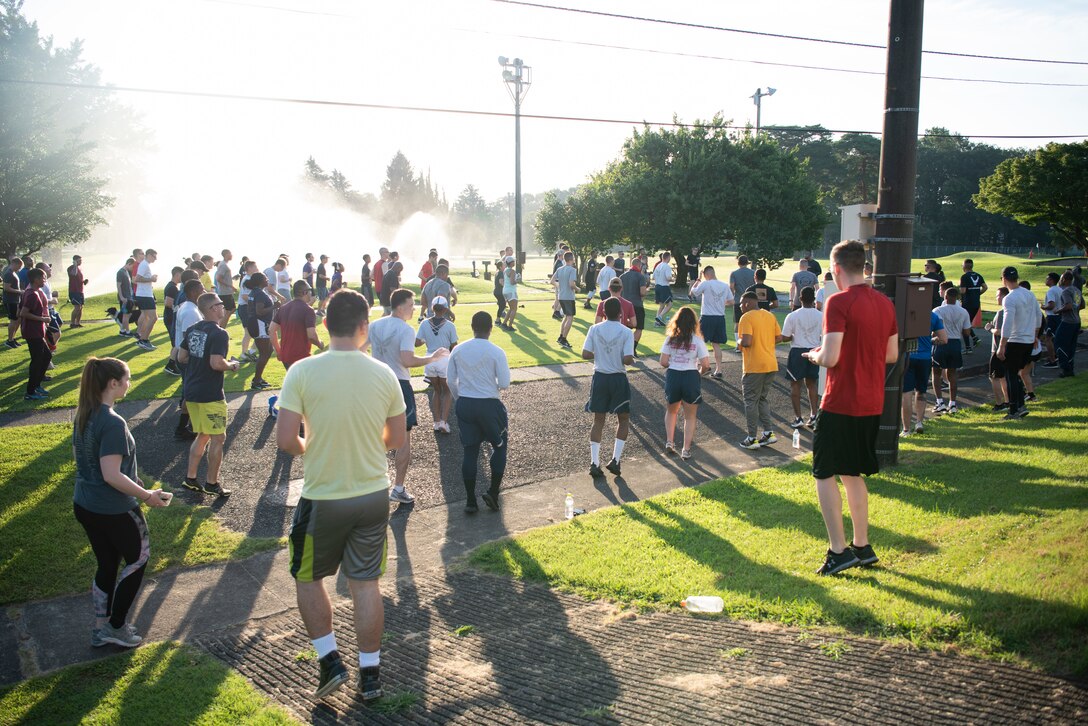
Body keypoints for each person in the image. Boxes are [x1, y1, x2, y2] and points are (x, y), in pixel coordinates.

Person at [276, 289, 405, 702]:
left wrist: (312, 447)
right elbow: (397, 439)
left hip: (323, 496)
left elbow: (285, 440)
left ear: (325, 324)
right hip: (373, 494)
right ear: (364, 327)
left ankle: (330, 660)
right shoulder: (383, 373)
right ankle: (371, 675)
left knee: (308, 577)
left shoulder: (301, 371)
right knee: (366, 584)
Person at [802, 240, 898, 576]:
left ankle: (838, 550)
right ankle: (862, 545)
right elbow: (891, 355)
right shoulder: (885, 304)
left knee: (824, 473)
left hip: (841, 399)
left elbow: (830, 357)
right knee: (852, 473)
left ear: (837, 269)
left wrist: (814, 355)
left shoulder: (838, 301)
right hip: (872, 401)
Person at [73, 357, 169, 649]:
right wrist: (147, 496)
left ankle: (101, 628)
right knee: (138, 559)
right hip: (113, 508)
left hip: (85, 504)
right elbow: (111, 474)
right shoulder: (113, 422)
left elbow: (97, 464)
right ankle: (116, 627)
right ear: (113, 384)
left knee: (107, 563)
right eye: (127, 379)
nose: (129, 384)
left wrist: (134, 481)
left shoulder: (84, 413)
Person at [368, 288, 448, 504]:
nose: (414, 309)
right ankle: (398, 488)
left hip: (376, 383)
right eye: (412, 305)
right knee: (403, 438)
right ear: (402, 306)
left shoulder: (374, 325)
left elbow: (358, 349)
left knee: (374, 435)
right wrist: (432, 358)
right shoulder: (405, 329)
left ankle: (372, 484)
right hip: (398, 385)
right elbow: (407, 360)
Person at [446, 311, 511, 513]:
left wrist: (460, 398)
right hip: (489, 404)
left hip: (466, 403)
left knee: (470, 451)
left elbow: (450, 380)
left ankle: (470, 501)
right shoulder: (496, 351)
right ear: (490, 328)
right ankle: (492, 492)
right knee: (499, 447)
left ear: (472, 327)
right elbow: (505, 383)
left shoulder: (458, 350)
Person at [179, 293, 240, 498]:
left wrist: (199, 363)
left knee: (202, 435)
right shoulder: (219, 333)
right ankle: (212, 483)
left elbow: (181, 356)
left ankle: (191, 478)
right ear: (213, 308)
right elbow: (216, 363)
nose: (224, 308)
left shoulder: (192, 330)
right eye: (221, 305)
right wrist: (231, 365)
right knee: (218, 438)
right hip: (210, 394)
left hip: (192, 391)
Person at [583, 297, 635, 478]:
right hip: (618, 378)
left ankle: (594, 462)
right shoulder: (626, 332)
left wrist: (601, 354)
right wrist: (625, 358)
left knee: (598, 421)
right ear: (620, 313)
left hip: (600, 377)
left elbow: (585, 353)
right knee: (623, 419)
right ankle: (615, 459)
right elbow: (628, 359)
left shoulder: (594, 329)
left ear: (604, 312)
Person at [659, 306, 710, 459]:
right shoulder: (698, 340)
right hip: (690, 376)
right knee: (690, 416)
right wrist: (699, 373)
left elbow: (663, 361)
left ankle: (669, 441)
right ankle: (686, 449)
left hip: (674, 375)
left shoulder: (670, 339)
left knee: (671, 411)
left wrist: (674, 365)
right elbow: (706, 364)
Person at [736, 291, 782, 449]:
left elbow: (747, 342)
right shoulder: (769, 316)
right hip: (770, 364)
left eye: (742, 303)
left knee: (750, 401)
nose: (740, 306)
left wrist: (739, 340)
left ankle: (751, 437)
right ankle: (768, 433)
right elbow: (779, 337)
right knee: (762, 399)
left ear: (748, 303)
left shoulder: (746, 317)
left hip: (754, 366)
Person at [996, 266, 1036, 420]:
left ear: (1004, 279)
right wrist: (1035, 335)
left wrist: (1002, 345)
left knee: (1010, 375)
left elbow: (1007, 323)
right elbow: (1038, 317)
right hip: (1028, 339)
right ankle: (1020, 405)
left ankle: (1014, 409)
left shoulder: (1009, 298)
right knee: (1017, 373)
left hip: (1015, 340)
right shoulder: (1029, 295)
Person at [781, 286, 823, 429]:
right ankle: (813, 415)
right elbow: (823, 334)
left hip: (797, 352)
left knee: (795, 384)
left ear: (800, 299)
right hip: (814, 351)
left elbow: (785, 337)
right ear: (814, 299)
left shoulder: (793, 315)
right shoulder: (821, 315)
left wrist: (793, 336)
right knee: (812, 384)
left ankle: (798, 418)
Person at [416, 296, 458, 432]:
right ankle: (444, 423)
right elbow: (454, 346)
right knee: (447, 392)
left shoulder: (424, 324)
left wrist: (425, 340)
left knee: (436, 390)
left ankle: (436, 422)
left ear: (432, 308)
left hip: (430, 359)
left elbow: (417, 343)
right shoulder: (450, 326)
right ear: (445, 309)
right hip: (444, 360)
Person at [901, 309, 946, 436]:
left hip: (908, 356)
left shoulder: (904, 313)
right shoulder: (932, 316)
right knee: (921, 391)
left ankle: (906, 429)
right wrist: (931, 340)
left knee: (906, 393)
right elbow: (944, 339)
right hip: (925, 358)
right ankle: (919, 422)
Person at [931, 287, 972, 415]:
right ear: (957, 297)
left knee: (936, 373)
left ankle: (939, 402)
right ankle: (953, 403)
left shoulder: (938, 310)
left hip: (940, 342)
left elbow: (934, 329)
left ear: (945, 297)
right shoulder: (963, 312)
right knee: (952, 374)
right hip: (955, 343)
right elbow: (967, 332)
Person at [270, 280, 325, 376]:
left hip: (286, 356)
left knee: (295, 386)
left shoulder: (283, 308)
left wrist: (279, 351)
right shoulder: (308, 310)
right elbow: (311, 336)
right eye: (309, 290)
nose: (311, 293)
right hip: (301, 357)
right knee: (306, 387)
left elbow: (271, 330)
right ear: (304, 292)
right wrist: (320, 344)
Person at [172, 279, 204, 441]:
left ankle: (186, 426)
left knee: (188, 392)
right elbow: (189, 338)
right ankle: (184, 428)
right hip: (189, 359)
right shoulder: (191, 312)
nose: (203, 292)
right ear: (192, 292)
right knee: (191, 394)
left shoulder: (188, 307)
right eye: (201, 289)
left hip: (185, 357)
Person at [690, 265, 734, 379]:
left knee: (699, 342)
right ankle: (719, 370)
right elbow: (731, 301)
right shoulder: (724, 285)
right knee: (716, 344)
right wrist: (720, 304)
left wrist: (698, 281)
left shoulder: (706, 283)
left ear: (705, 275)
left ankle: (705, 366)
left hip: (707, 316)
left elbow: (693, 292)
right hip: (720, 318)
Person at [19, 267, 52, 400]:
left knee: (46, 356)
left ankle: (37, 385)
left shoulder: (36, 291)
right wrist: (43, 319)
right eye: (43, 277)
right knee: (37, 361)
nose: (45, 280)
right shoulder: (31, 294)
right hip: (32, 332)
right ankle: (30, 392)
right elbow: (23, 313)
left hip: (38, 331)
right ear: (36, 279)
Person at [245, 273, 276, 390]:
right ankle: (256, 381)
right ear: (260, 281)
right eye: (265, 278)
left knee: (269, 350)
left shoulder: (254, 292)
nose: (267, 279)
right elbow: (260, 311)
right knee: (264, 353)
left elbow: (251, 309)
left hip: (258, 324)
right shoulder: (259, 293)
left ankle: (258, 378)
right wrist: (275, 306)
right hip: (260, 325)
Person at [985, 287, 1010, 410]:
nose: (996, 298)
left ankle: (1000, 403)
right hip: (1009, 347)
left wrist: (990, 328)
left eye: (998, 295)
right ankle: (1008, 400)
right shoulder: (1011, 311)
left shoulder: (1001, 313)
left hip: (998, 348)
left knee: (994, 376)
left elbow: (999, 331)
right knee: (1004, 376)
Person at [619, 260, 650, 356]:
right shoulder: (640, 276)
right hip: (637, 304)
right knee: (639, 327)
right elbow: (642, 292)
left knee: (624, 326)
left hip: (624, 304)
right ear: (639, 265)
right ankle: (632, 348)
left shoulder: (622, 276)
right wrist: (647, 290)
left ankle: (622, 347)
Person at [551, 252, 579, 349]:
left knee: (566, 317)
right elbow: (571, 284)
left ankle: (561, 337)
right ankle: (564, 338)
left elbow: (552, 281)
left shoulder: (560, 269)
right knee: (570, 318)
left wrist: (559, 286)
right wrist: (578, 289)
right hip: (568, 297)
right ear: (572, 259)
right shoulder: (572, 270)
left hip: (561, 296)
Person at [134, 248, 161, 349]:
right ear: (149, 255)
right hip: (145, 295)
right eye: (154, 256)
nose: (155, 259)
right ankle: (144, 340)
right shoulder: (144, 265)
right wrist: (151, 279)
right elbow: (137, 279)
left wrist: (151, 278)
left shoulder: (145, 265)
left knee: (146, 318)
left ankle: (142, 338)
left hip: (144, 294)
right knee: (154, 318)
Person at [1054, 271, 1079, 378]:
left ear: (1064, 279)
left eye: (1061, 278)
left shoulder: (1065, 291)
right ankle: (1070, 367)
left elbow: (1068, 306)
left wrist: (1058, 311)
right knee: (1071, 346)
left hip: (1067, 322)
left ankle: (1065, 369)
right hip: (1076, 321)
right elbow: (1081, 304)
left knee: (1059, 343)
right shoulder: (1076, 290)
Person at [958, 258, 986, 352]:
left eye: (962, 265)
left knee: (964, 325)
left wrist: (957, 295)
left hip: (967, 303)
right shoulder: (978, 275)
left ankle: (968, 347)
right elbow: (985, 287)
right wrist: (977, 293)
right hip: (976, 303)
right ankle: (974, 338)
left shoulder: (964, 277)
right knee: (967, 323)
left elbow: (963, 291)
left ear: (965, 266)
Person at [163, 266, 185, 375]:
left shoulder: (172, 286)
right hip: (170, 317)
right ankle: (171, 364)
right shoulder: (172, 288)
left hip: (170, 316)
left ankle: (172, 364)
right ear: (177, 275)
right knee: (176, 343)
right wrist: (178, 309)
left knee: (176, 343)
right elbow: (168, 303)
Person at [729, 255, 756, 337]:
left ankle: (738, 344)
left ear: (738, 263)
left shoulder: (734, 273)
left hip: (738, 300)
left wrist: (731, 298)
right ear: (747, 263)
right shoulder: (753, 272)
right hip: (751, 301)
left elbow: (732, 287)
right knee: (752, 322)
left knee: (737, 323)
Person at [3, 257, 23, 348]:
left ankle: (13, 338)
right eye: (19, 266)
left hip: (15, 300)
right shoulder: (8, 274)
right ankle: (9, 340)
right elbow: (6, 288)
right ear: (14, 264)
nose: (19, 269)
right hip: (10, 300)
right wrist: (19, 291)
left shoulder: (14, 273)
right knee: (13, 320)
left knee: (18, 319)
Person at [114, 258, 136, 338]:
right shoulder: (120, 272)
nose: (132, 269)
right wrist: (121, 297)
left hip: (129, 297)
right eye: (132, 267)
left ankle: (122, 330)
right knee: (126, 315)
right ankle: (127, 331)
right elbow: (118, 285)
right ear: (129, 263)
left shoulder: (126, 272)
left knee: (128, 314)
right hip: (125, 298)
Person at [214, 249, 236, 328]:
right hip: (224, 292)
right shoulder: (223, 265)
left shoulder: (226, 264)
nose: (232, 255)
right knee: (227, 311)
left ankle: (222, 327)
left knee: (232, 309)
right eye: (230, 253)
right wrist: (230, 286)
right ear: (226, 254)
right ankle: (220, 328)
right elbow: (218, 278)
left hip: (228, 292)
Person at [652, 252, 675, 327]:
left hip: (657, 286)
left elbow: (653, 277)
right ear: (668, 257)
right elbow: (668, 278)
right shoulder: (667, 266)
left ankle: (657, 322)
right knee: (670, 304)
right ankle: (660, 316)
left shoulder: (658, 266)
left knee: (661, 305)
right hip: (664, 287)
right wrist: (673, 279)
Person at [67, 255, 87, 328]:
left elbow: (78, 279)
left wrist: (84, 282)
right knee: (77, 307)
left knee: (81, 307)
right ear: (75, 261)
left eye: (81, 260)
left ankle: (77, 323)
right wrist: (75, 265)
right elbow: (73, 274)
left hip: (80, 291)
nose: (81, 262)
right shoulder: (71, 268)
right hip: (74, 291)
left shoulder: (80, 269)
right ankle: (72, 323)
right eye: (79, 260)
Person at [500, 256, 519, 331]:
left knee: (511, 308)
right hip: (511, 291)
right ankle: (510, 326)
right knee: (514, 309)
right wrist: (518, 280)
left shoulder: (505, 270)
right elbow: (512, 282)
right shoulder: (512, 271)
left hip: (505, 290)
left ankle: (504, 323)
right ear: (511, 263)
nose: (514, 262)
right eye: (513, 261)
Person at [493, 248, 508, 319]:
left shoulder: (498, 272)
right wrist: (507, 287)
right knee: (502, 305)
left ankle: (500, 316)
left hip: (497, 291)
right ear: (500, 267)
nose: (505, 266)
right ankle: (497, 320)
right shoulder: (501, 273)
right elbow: (501, 282)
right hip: (499, 292)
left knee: (502, 305)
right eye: (504, 265)